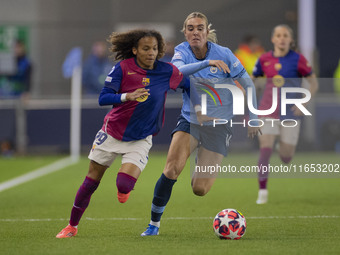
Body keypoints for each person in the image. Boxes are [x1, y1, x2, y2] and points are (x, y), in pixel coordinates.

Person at [56, 29, 199, 238]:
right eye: (146, 49)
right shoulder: (122, 68)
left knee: (124, 185)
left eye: (155, 49)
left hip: (140, 139)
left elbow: (189, 85)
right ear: (135, 50)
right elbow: (103, 98)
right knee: (91, 181)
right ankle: (71, 226)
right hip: (112, 132)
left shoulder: (166, 71)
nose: (151, 53)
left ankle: (122, 189)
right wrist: (127, 96)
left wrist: (198, 109)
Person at [141, 12, 261, 236]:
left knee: (200, 189)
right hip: (190, 121)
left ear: (207, 32)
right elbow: (176, 72)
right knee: (172, 169)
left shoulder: (224, 54)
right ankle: (153, 225)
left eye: (199, 28)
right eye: (190, 28)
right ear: (185, 32)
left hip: (219, 126)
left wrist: (253, 116)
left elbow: (249, 84)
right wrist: (207, 63)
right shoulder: (182, 51)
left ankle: (202, 156)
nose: (195, 32)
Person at [252, 24, 318, 204]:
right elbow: (252, 79)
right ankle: (262, 192)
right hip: (267, 110)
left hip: (289, 113)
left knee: (286, 157)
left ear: (290, 40)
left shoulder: (299, 60)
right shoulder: (264, 59)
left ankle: (281, 145)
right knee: (265, 149)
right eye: (278, 35)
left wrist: (303, 102)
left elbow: (313, 84)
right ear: (273, 39)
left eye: (285, 35)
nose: (282, 38)